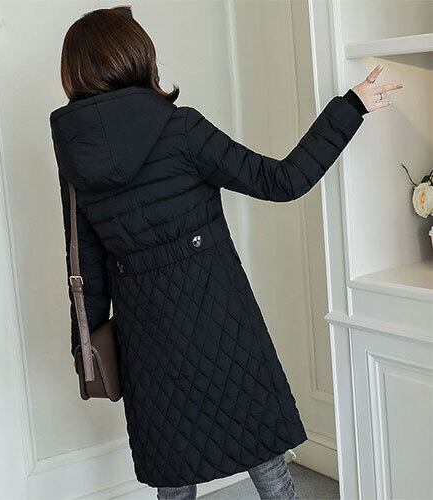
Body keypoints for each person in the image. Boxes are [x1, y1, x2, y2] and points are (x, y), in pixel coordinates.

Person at [49, 6, 403, 500]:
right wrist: (351, 106)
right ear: (137, 56)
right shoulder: (180, 129)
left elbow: (85, 267)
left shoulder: (75, 159)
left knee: (173, 471)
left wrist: (85, 348)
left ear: (75, 74)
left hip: (145, 337)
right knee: (263, 454)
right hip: (220, 318)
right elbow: (282, 180)